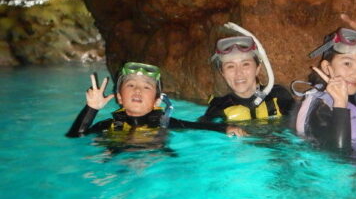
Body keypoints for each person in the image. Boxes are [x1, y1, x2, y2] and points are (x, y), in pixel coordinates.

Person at [66, 62, 246, 139]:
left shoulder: (164, 123)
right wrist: (91, 109)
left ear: (157, 100)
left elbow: (198, 126)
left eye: (146, 87)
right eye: (130, 85)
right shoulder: (108, 126)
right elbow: (76, 137)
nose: (138, 90)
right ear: (119, 96)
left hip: (156, 167)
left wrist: (227, 128)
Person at [292, 27, 356, 156]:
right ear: (327, 68)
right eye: (347, 63)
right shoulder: (319, 108)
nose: (355, 74)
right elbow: (337, 160)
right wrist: (340, 104)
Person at [199, 33, 293, 122]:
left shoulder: (277, 96)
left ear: (257, 68)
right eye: (230, 66)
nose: (238, 73)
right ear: (222, 72)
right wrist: (225, 129)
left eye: (245, 64)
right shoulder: (219, 106)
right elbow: (200, 131)